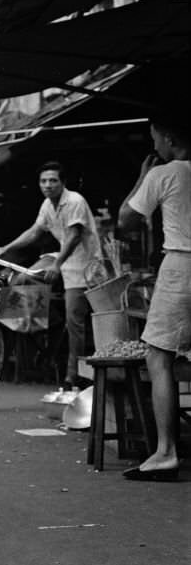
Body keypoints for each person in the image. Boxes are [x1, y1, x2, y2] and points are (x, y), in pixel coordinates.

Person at [117, 113, 191, 481]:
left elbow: (124, 220)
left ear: (169, 138)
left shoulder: (164, 173)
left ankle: (165, 452)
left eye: (156, 139)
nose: (154, 146)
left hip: (181, 265)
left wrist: (141, 178)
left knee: (158, 355)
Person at [0, 161, 100, 391]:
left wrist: (58, 265)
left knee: (75, 321)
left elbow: (73, 237)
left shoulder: (75, 201)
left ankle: (73, 376)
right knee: (21, 281)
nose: (48, 185)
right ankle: (44, 328)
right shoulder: (47, 205)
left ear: (63, 183)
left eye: (53, 180)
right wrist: (7, 248)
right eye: (43, 181)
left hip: (84, 264)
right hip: (61, 257)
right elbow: (34, 232)